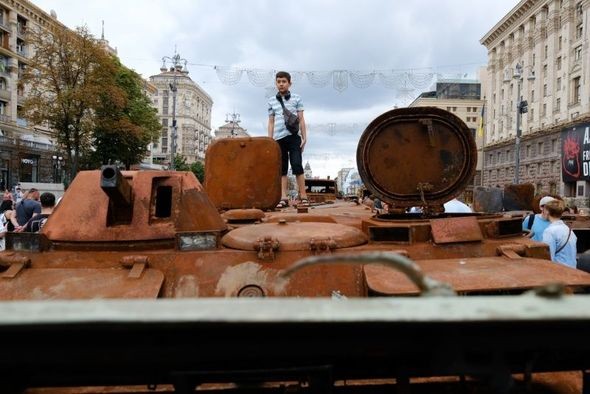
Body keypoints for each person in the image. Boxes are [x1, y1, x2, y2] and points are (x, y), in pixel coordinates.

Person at [268, 71, 308, 208]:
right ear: (276, 83)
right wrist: (270, 140)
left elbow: (301, 119)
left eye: (284, 81)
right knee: (282, 168)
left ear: (289, 83)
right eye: (278, 81)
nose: (281, 84)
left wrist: (304, 137)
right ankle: (283, 197)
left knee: (297, 164)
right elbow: (271, 122)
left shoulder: (297, 98)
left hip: (293, 137)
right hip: (278, 139)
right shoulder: (272, 101)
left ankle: (303, 196)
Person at [542, 199, 577, 268]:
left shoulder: (549, 231)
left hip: (559, 271)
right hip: (573, 271)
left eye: (544, 210)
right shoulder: (569, 230)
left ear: (547, 212)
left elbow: (548, 258)